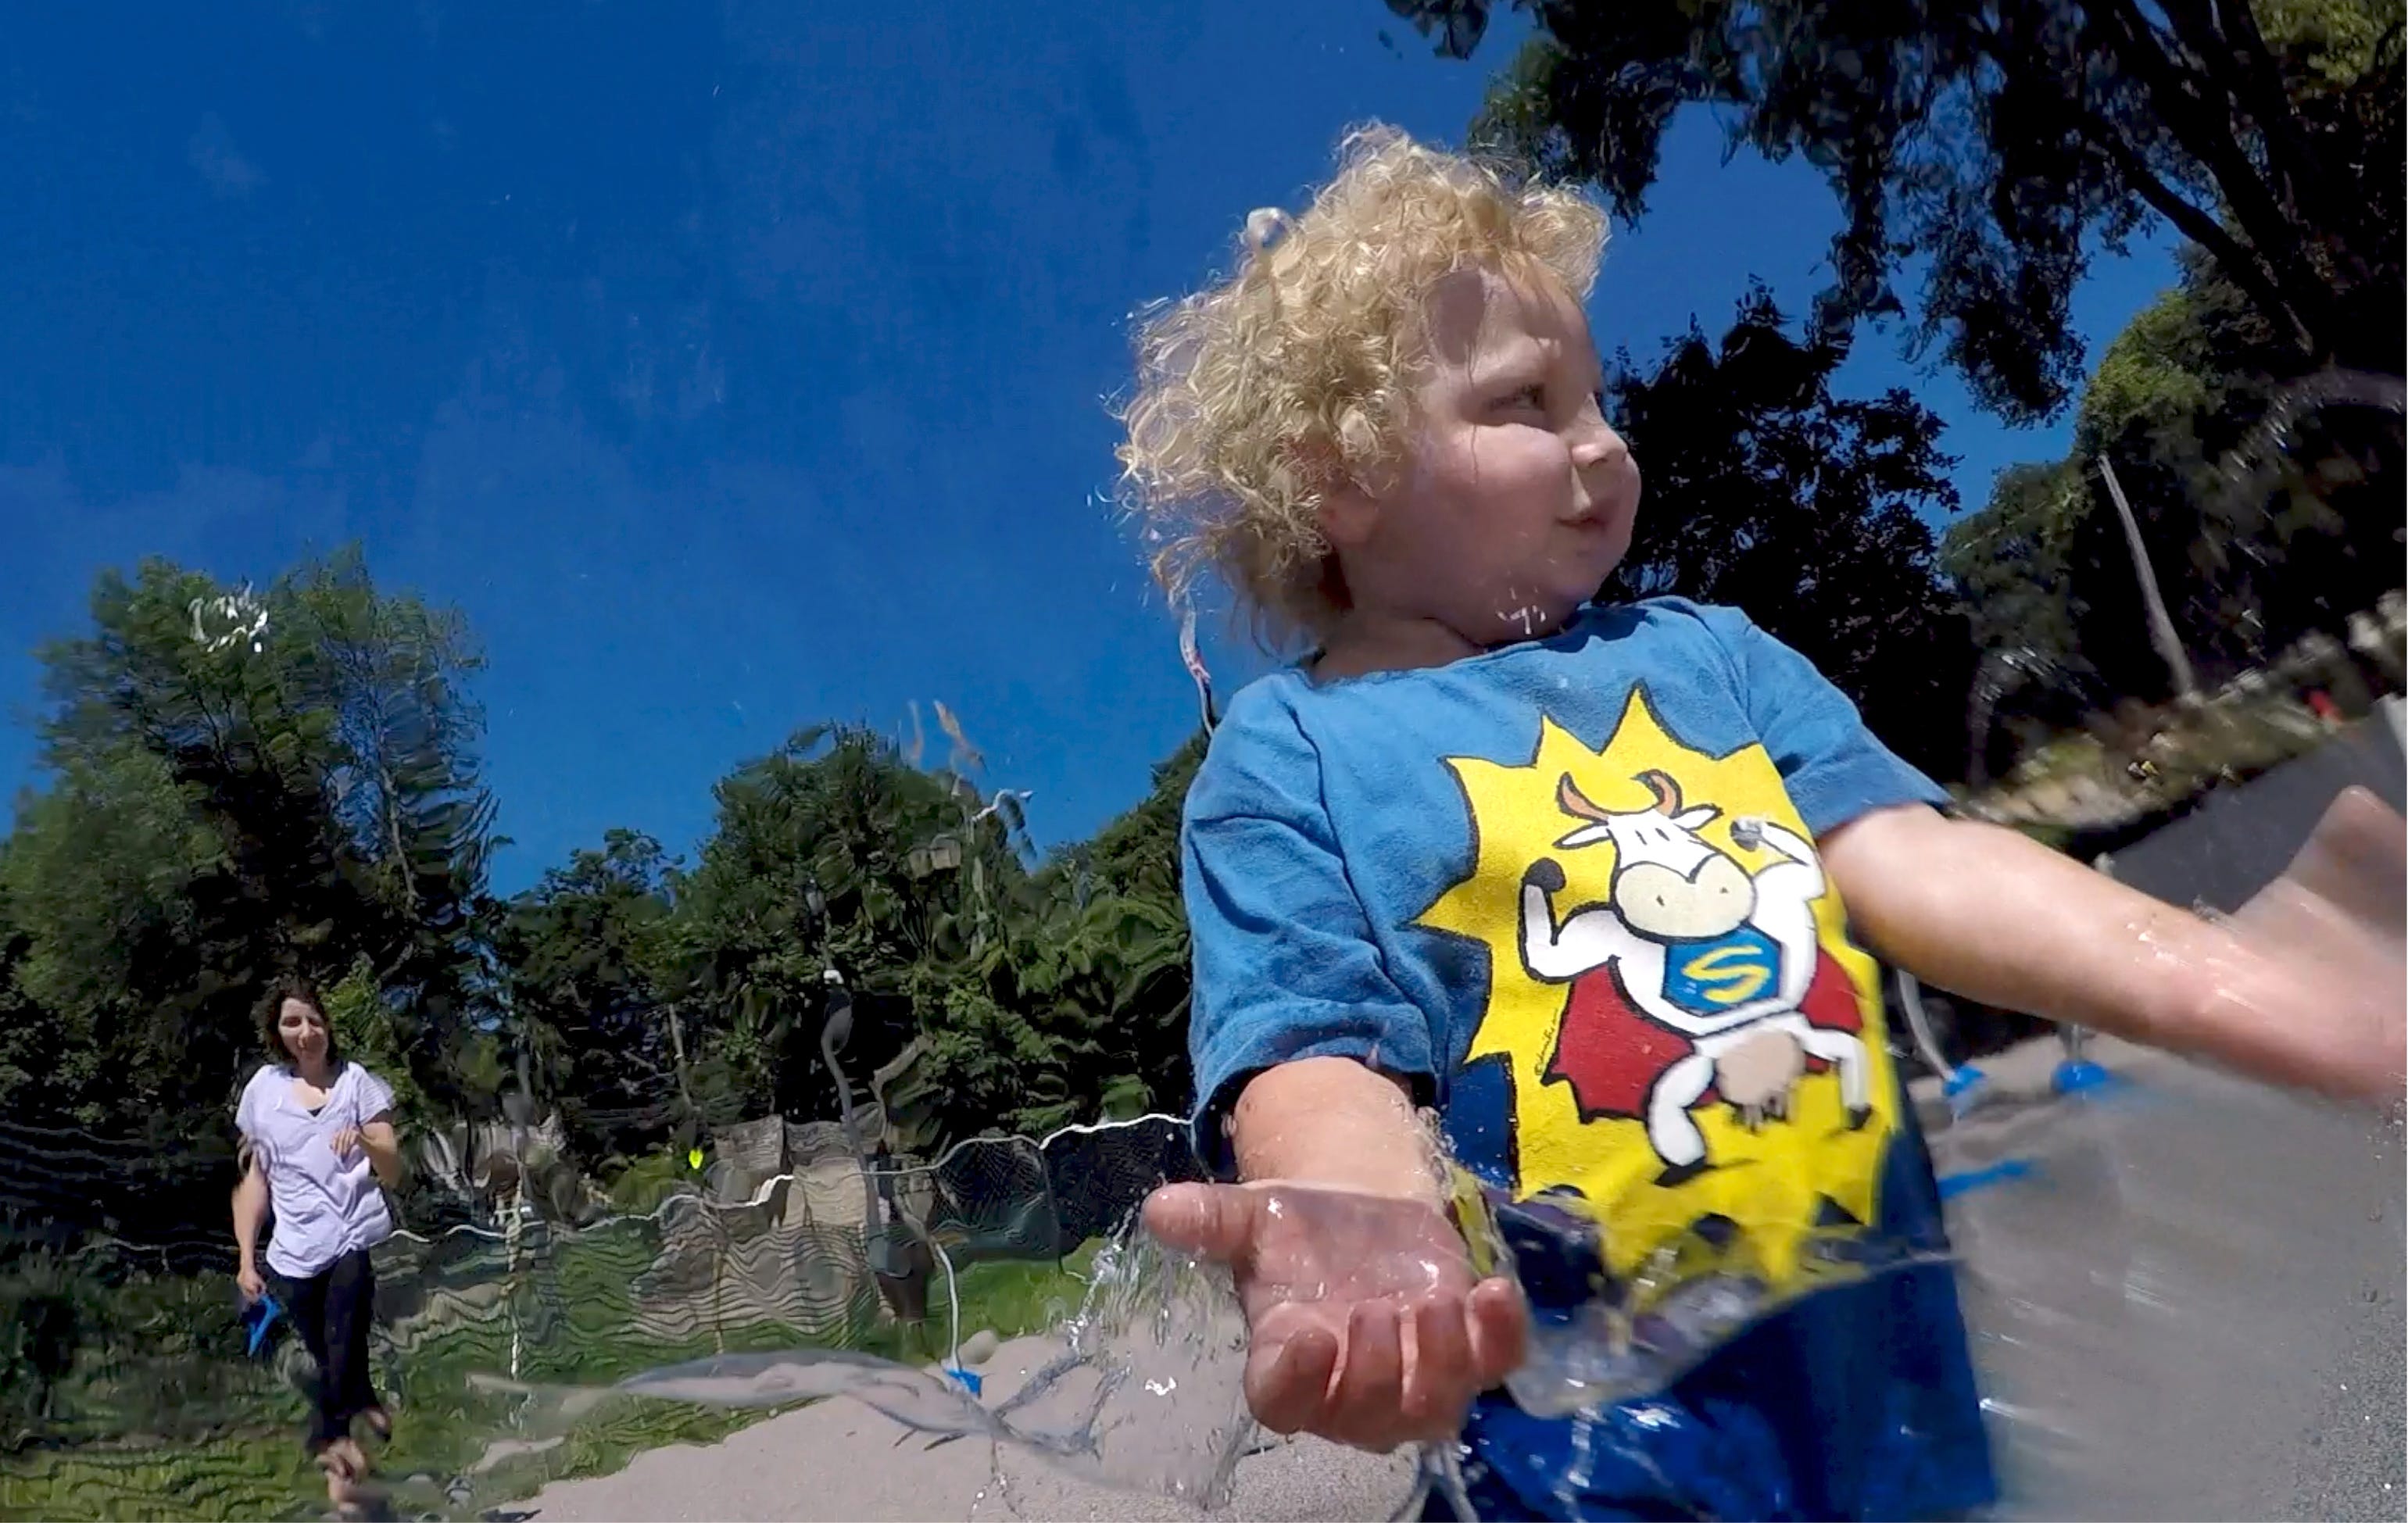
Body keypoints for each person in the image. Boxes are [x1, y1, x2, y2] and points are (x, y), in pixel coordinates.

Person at [1121, 127, 2405, 1520]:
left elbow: (1905, 855)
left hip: (1884, 1381)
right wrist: (1362, 1218)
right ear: (1341, 476)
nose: (1602, 440)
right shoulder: (1291, 754)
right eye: (1527, 401)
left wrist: (2213, 972)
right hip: (1584, 1452)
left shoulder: (1707, 655)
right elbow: (1317, 1058)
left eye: (1599, 393)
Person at [231, 974, 404, 1511]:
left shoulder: (358, 1084)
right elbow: (254, 1181)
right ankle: (363, 1410)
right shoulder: (263, 1090)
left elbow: (394, 1167)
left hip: (350, 1235)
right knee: (333, 1359)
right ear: (277, 1030)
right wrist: (244, 1255)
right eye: (292, 1021)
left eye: (313, 1019)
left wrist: (365, 1138)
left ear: (328, 1024)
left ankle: (334, 1457)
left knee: (338, 1342)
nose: (305, 1031)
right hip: (291, 1254)